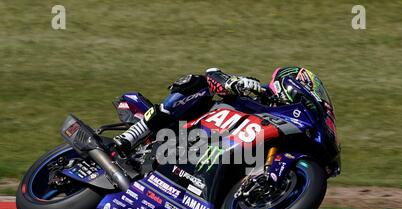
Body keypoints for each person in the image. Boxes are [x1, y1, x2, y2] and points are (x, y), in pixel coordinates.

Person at [113, 66, 335, 153]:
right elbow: (213, 74)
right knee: (197, 83)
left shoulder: (284, 128)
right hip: (184, 131)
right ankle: (130, 137)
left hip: (212, 152)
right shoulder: (258, 92)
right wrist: (234, 83)